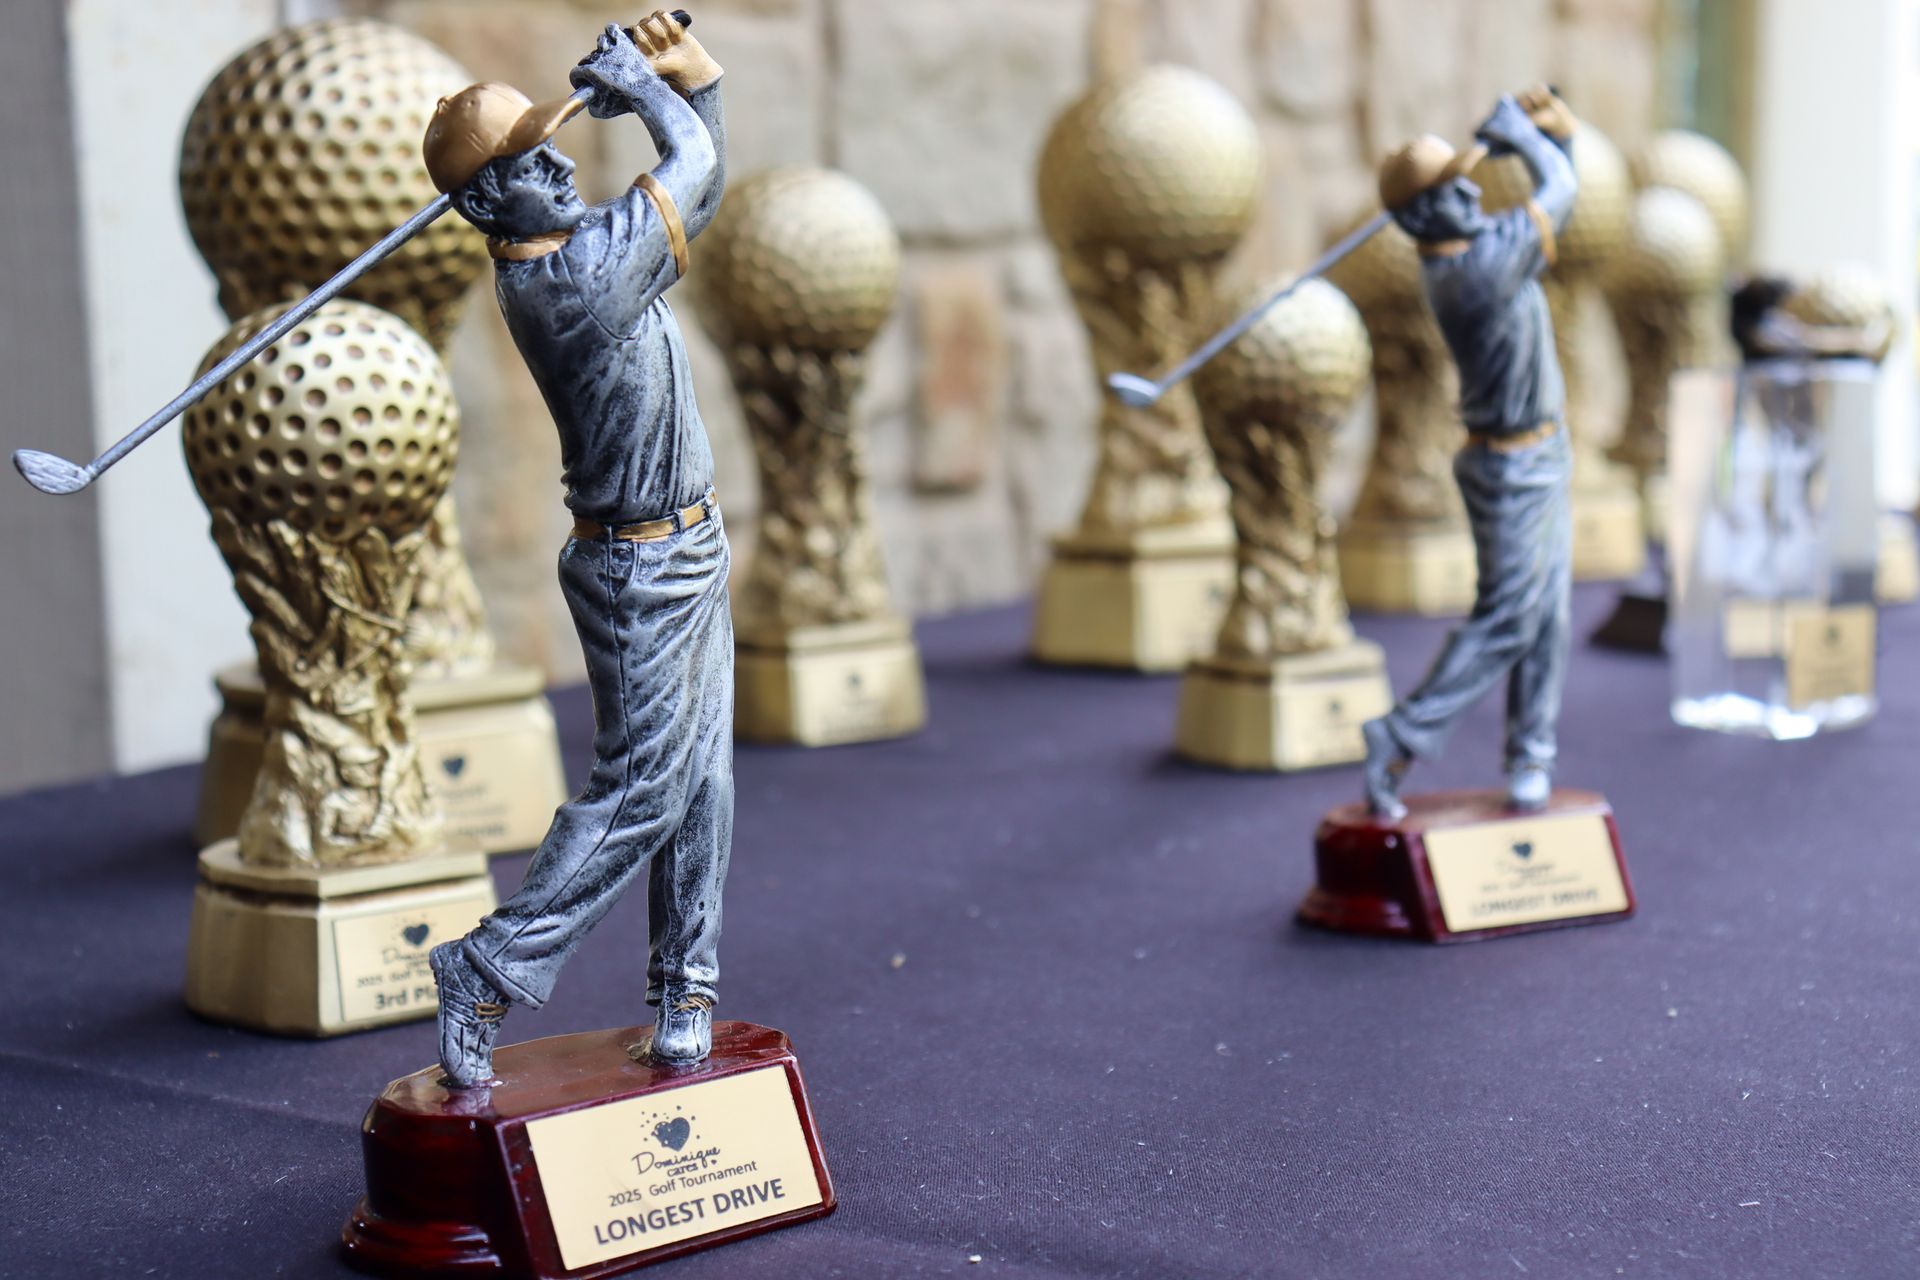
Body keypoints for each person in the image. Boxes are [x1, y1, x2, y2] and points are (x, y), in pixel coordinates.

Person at [418, 12, 732, 1085]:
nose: (554, 158)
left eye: (546, 140)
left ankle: (686, 987)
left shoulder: (589, 249)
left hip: (688, 543)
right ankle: (488, 964)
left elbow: (705, 180)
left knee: (704, 784)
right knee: (643, 787)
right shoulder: (575, 281)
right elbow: (690, 164)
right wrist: (650, 90)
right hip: (639, 568)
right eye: (521, 160)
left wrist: (693, 80)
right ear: (482, 204)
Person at [1359, 88, 1579, 819]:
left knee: (1546, 614)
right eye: (1451, 185)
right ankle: (1402, 732)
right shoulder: (1478, 269)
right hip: (1512, 467)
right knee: (1510, 617)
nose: (1469, 186)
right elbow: (1562, 192)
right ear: (1421, 216)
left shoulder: (1484, 248)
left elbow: (1558, 192)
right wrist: (1523, 140)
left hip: (1539, 455)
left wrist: (1553, 134)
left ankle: (1531, 757)